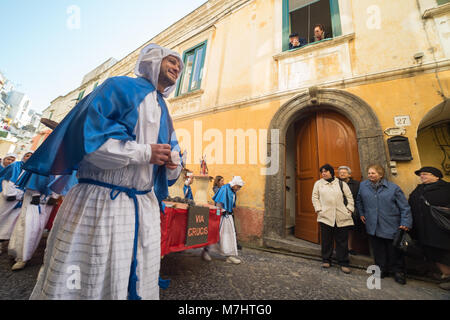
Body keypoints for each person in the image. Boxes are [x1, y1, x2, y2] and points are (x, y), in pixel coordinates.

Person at [22, 44, 184, 300]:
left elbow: (171, 166)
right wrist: (145, 153)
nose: (177, 67)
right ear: (153, 61)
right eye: (171, 60)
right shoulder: (118, 88)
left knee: (139, 280)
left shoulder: (164, 110)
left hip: (143, 210)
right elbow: (91, 146)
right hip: (101, 204)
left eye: (180, 65)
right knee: (87, 280)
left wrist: (171, 164)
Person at [356, 164, 412, 285]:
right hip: (372, 224)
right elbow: (359, 201)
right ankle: (381, 269)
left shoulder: (393, 188)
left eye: (373, 173)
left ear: (380, 175)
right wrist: (361, 213)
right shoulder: (363, 186)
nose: (370, 175)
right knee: (378, 249)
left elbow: (404, 207)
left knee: (394, 250)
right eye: (369, 173)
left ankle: (398, 272)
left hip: (390, 223)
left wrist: (405, 222)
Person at [408, 167, 450, 291]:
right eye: (421, 175)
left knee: (445, 251)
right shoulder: (419, 189)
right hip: (424, 228)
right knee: (432, 252)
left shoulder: (446, 188)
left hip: (442, 228)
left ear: (437, 176)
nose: (422, 176)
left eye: (425, 174)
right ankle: (446, 274)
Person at [312, 164, 354, 274]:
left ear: (331, 172)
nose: (324, 173)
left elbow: (350, 197)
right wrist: (319, 209)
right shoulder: (318, 184)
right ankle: (326, 260)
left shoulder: (341, 183)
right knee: (326, 240)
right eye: (322, 172)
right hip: (325, 216)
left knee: (342, 241)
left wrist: (349, 210)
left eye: (326, 171)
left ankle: (343, 262)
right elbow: (315, 197)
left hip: (341, 215)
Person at [202, 176, 244, 265]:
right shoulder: (225, 189)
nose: (239, 189)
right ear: (235, 184)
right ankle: (206, 252)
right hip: (221, 216)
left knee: (228, 235)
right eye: (238, 187)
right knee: (215, 233)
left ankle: (229, 255)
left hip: (227, 216)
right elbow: (219, 203)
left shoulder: (233, 191)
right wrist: (220, 213)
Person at [0, 152, 32, 254]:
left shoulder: (32, 169)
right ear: (23, 156)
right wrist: (10, 194)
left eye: (32, 156)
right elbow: (6, 180)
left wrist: (22, 196)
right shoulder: (15, 165)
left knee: (9, 223)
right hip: (8, 198)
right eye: (27, 155)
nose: (29, 158)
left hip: (19, 201)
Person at [337, 166, 362, 255]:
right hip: (338, 209)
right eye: (340, 173)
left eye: (344, 172)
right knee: (339, 229)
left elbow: (359, 197)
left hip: (351, 210)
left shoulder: (356, 184)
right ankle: (339, 247)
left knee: (350, 229)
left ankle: (349, 247)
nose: (342, 174)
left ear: (349, 174)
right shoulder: (335, 183)